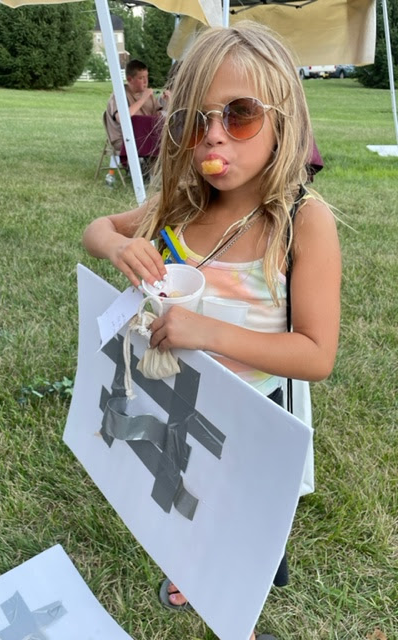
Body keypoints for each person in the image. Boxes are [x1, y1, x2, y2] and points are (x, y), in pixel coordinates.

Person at [84, 21, 341, 640]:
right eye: (195, 121)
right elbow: (98, 229)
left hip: (249, 422)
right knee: (184, 506)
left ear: (283, 120)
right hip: (176, 400)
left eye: (240, 115)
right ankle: (187, 569)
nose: (214, 136)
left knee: (238, 543)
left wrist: (209, 332)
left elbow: (316, 354)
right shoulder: (181, 203)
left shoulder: (302, 221)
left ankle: (238, 624)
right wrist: (119, 247)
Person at [104, 59, 164, 186]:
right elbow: (122, 118)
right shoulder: (119, 95)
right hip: (124, 139)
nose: (146, 81)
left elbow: (159, 117)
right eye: (141, 78)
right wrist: (143, 99)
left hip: (146, 137)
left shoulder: (148, 96)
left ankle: (157, 176)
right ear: (130, 79)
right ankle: (148, 174)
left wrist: (168, 101)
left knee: (168, 141)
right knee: (158, 143)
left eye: (146, 77)